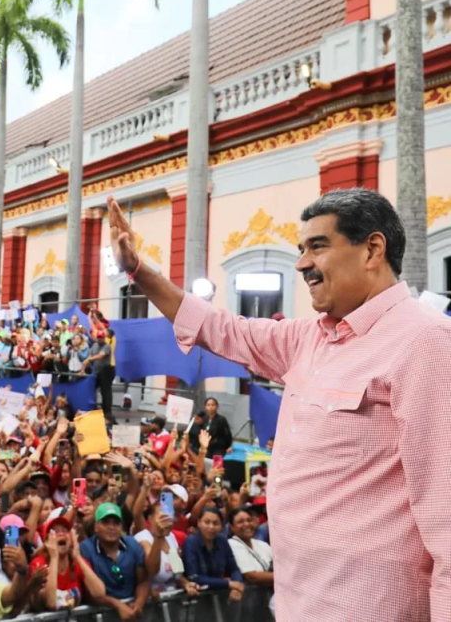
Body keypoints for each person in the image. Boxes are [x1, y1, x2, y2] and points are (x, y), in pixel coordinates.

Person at [108, 188, 451, 620]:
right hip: (296, 604)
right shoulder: (307, 338)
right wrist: (137, 270)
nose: (302, 264)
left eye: (318, 247)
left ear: (372, 249)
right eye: (301, 249)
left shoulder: (427, 342)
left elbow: (446, 515)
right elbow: (215, 326)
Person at [78, 503, 149, 620]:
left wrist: (138, 604)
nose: (111, 527)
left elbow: (143, 581)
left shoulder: (132, 543)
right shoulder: (86, 548)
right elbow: (89, 593)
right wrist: (117, 605)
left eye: (116, 523)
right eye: (105, 522)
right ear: (95, 526)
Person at [182, 508, 243, 603]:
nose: (211, 527)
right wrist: (228, 584)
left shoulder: (222, 541)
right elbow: (194, 577)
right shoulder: (191, 542)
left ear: (221, 526)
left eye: (215, 523)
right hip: (195, 598)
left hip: (218, 597)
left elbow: (234, 568)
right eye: (207, 522)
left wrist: (237, 586)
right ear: (199, 523)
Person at [227, 508, 273, 587]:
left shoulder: (263, 544)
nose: (246, 524)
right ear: (232, 527)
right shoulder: (231, 544)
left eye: (249, 520)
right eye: (240, 522)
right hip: (248, 596)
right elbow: (251, 576)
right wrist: (283, 577)